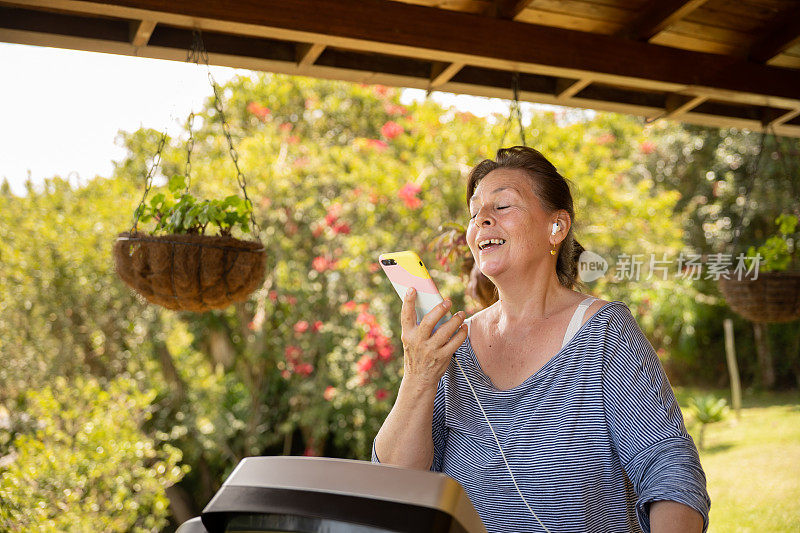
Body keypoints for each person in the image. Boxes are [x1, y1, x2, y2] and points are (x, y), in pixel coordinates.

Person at [371, 146, 710, 532]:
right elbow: (395, 484)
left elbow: (668, 468)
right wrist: (419, 375)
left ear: (557, 227)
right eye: (474, 212)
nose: (481, 219)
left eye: (502, 207)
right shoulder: (451, 346)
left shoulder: (603, 332)